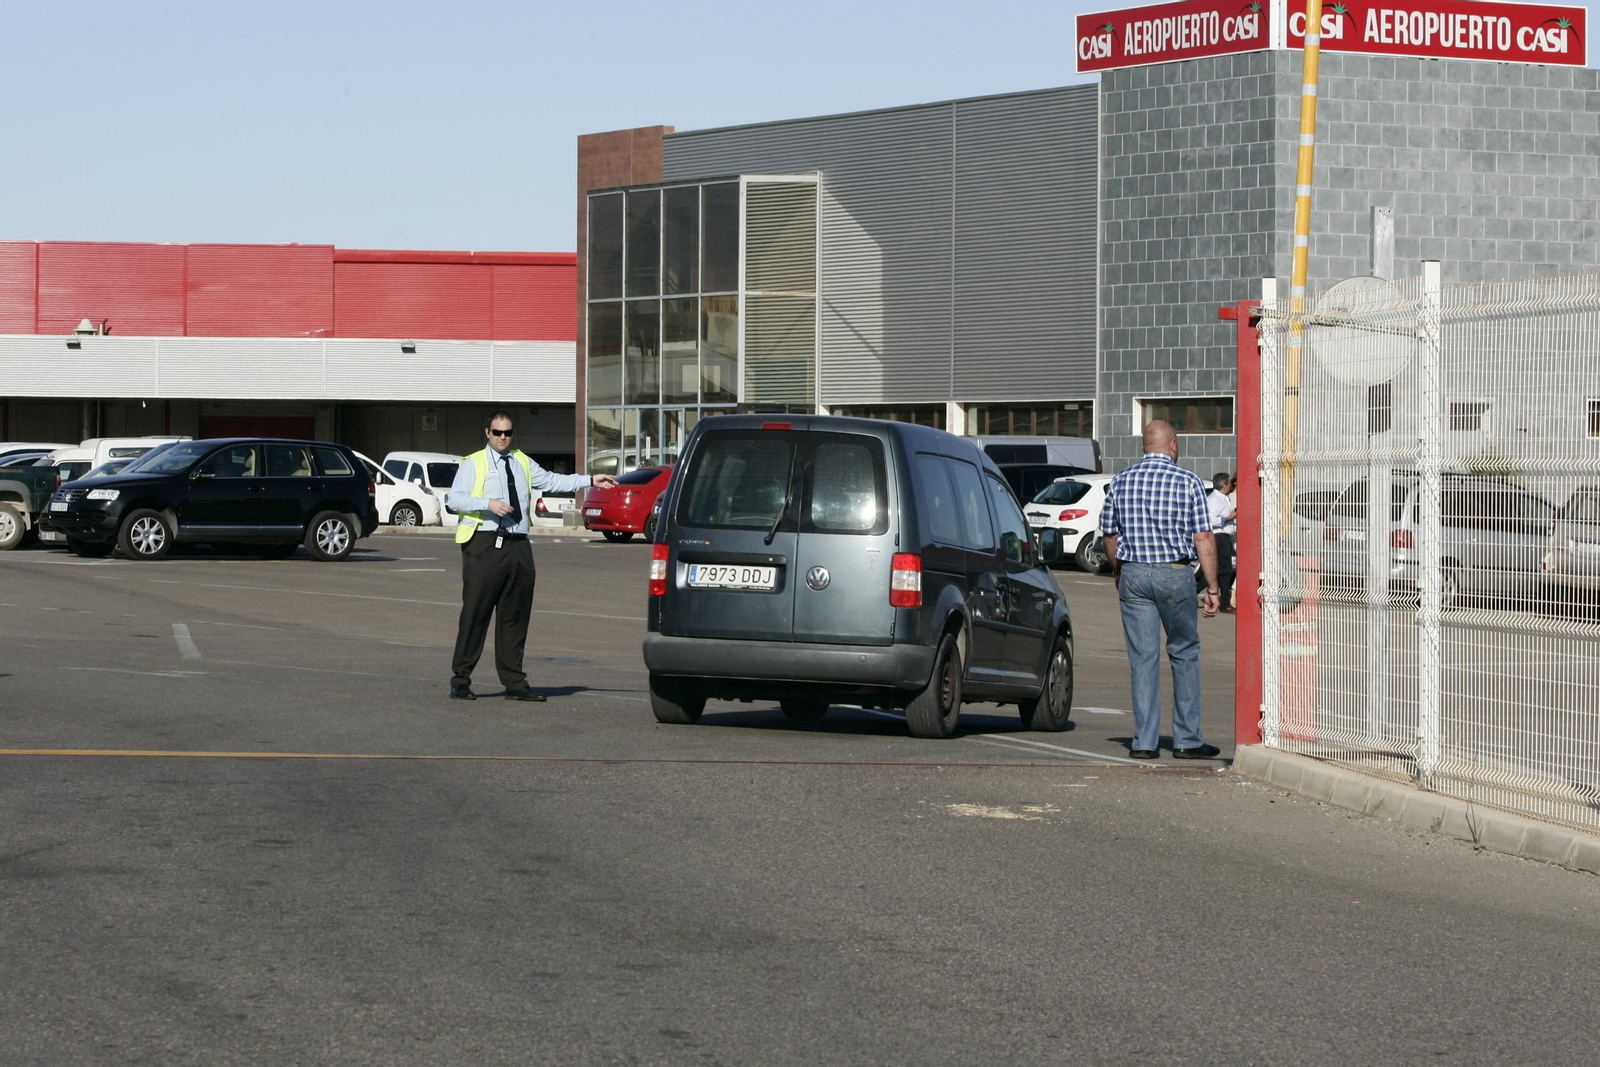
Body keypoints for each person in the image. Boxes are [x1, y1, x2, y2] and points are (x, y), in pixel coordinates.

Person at [446, 411, 618, 701]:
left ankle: (514, 683)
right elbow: (454, 500)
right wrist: (487, 503)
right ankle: (460, 679)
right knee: (476, 614)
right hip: (484, 544)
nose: (503, 437)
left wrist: (590, 479)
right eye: (498, 432)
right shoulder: (473, 462)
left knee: (515, 616)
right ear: (487, 433)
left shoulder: (522, 461)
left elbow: (551, 481)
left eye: (508, 432)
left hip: (518, 544)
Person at [1099, 421, 1222, 760]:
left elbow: (1109, 534)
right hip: (1175, 573)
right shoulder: (1188, 481)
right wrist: (1213, 587)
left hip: (1134, 573)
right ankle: (1186, 740)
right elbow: (1204, 537)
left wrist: (1118, 570)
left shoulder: (1121, 481)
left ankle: (1144, 742)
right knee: (1183, 653)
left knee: (1143, 659)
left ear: (1144, 446)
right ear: (1173, 445)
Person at [1205, 472, 1237, 613]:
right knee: (1225, 570)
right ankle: (1224, 603)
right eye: (1230, 483)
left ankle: (1192, 593)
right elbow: (1210, 520)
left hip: (1224, 537)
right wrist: (1228, 518)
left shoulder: (1222, 498)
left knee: (1217, 569)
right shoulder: (1215, 500)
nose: (1231, 485)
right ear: (1224, 485)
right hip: (1219, 537)